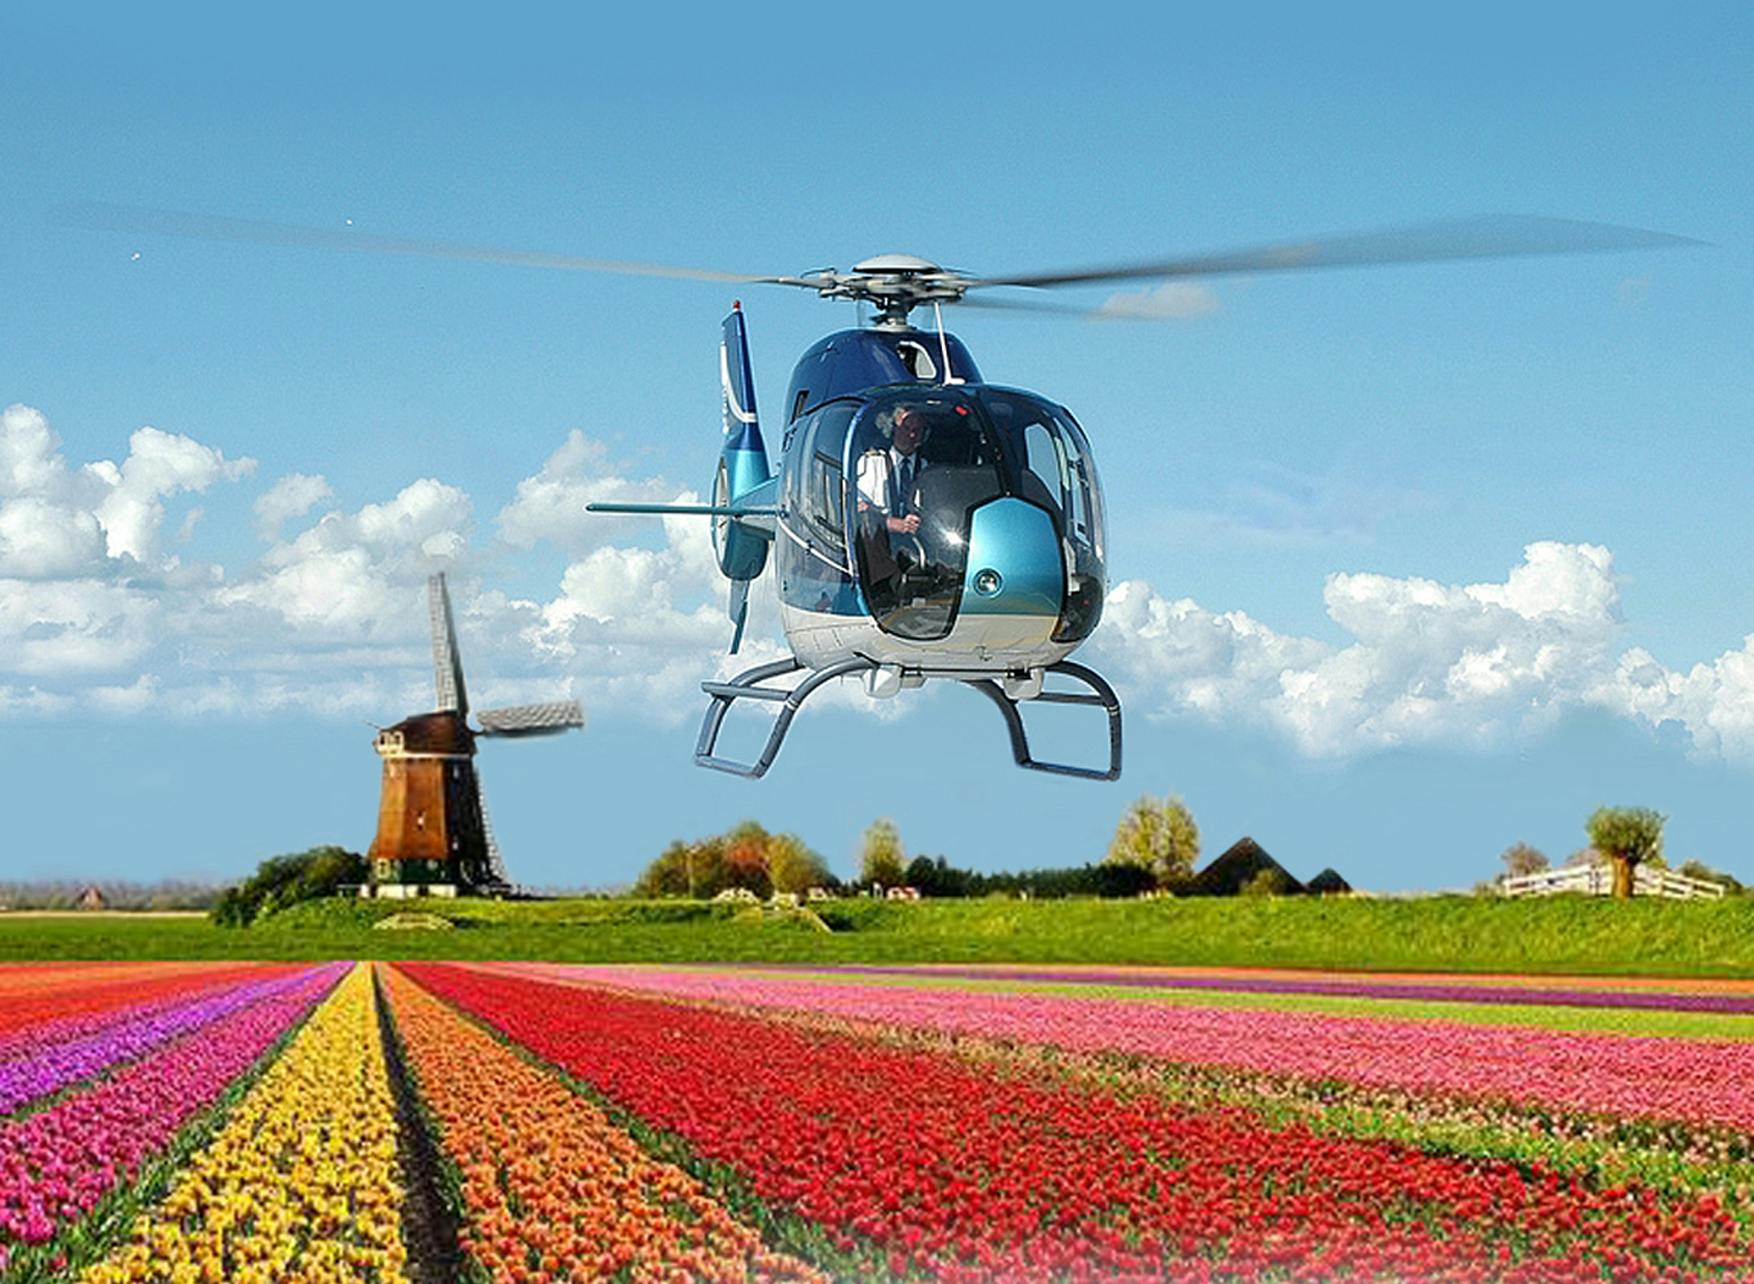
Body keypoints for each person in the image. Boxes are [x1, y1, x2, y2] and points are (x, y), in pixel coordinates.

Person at [856, 404, 928, 536]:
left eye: (917, 430)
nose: (911, 435)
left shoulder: (927, 469)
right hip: (877, 541)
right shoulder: (871, 463)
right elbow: (859, 507)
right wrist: (891, 523)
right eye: (906, 428)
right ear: (894, 429)